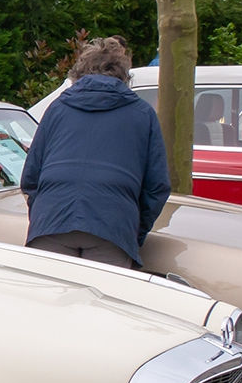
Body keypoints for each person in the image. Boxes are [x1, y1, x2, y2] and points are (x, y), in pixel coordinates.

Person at [21, 36, 170, 269]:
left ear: (78, 73)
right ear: (124, 75)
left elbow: (30, 177)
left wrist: (43, 217)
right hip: (112, 226)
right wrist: (133, 232)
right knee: (103, 303)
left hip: (51, 221)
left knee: (49, 302)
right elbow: (157, 186)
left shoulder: (57, 108)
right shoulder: (143, 114)